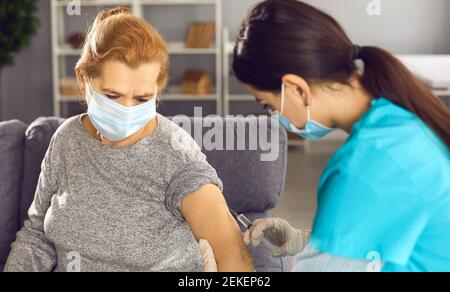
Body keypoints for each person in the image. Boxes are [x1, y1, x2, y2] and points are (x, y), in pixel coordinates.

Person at [4, 7, 253, 272]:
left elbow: (231, 253)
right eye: (112, 96)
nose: (127, 109)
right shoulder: (66, 139)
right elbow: (36, 235)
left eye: (143, 99)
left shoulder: (175, 154)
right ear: (83, 79)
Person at [232, 0, 450, 272]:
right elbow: (388, 223)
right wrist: (308, 241)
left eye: (267, 104)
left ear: (297, 89)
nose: (273, 115)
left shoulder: (366, 165)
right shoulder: (398, 121)